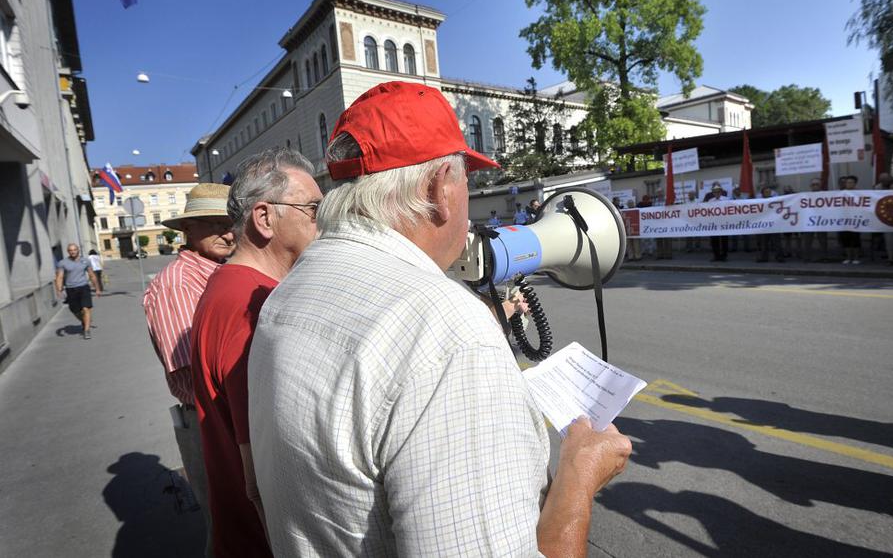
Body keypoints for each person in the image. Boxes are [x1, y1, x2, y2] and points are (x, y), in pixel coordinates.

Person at [249, 82, 632, 557]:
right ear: (440, 189)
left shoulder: (286, 293)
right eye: (468, 180)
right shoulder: (448, 333)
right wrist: (579, 475)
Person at [190, 149, 322, 558]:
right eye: (313, 209)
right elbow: (261, 478)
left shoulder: (232, 286)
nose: (321, 222)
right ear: (264, 218)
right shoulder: (251, 303)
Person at [141, 183, 234, 557]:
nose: (228, 233)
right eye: (214, 224)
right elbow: (192, 373)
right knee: (228, 530)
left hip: (227, 418)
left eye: (231, 222)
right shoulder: (178, 284)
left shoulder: (219, 271)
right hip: (213, 421)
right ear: (187, 229)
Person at [55, 243, 102, 339]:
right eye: (70, 250)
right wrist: (59, 290)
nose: (73, 252)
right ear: (68, 252)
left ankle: (87, 330)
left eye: (74, 250)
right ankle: (85, 320)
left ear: (78, 250)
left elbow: (92, 275)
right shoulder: (63, 263)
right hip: (70, 289)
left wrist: (97, 289)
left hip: (84, 287)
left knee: (86, 308)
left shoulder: (85, 261)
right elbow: (59, 277)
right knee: (75, 310)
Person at [801, 178, 828, 262]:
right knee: (807, 240)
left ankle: (824, 257)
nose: (815, 186)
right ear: (810, 186)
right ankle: (807, 257)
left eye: (817, 184)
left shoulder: (826, 195)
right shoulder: (805, 196)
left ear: (820, 185)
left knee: (823, 240)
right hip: (809, 221)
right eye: (813, 184)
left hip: (822, 221)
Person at [756, 186, 784, 263]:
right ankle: (764, 257)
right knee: (764, 243)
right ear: (762, 193)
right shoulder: (758, 201)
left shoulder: (775, 200)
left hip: (774, 224)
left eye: (769, 192)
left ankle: (779, 257)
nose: (768, 193)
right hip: (764, 225)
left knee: (777, 242)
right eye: (766, 192)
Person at [838, 175, 862, 264]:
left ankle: (856, 258)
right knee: (845, 239)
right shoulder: (841, 193)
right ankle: (848, 257)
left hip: (856, 219)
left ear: (855, 184)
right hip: (843, 219)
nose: (849, 184)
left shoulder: (860, 193)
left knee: (856, 239)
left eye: (851, 182)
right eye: (847, 182)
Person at [703, 182, 728, 261]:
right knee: (714, 240)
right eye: (715, 192)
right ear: (713, 193)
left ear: (721, 192)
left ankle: (724, 256)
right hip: (714, 224)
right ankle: (716, 256)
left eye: (718, 191)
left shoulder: (727, 199)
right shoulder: (710, 201)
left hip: (724, 223)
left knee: (724, 240)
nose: (717, 193)